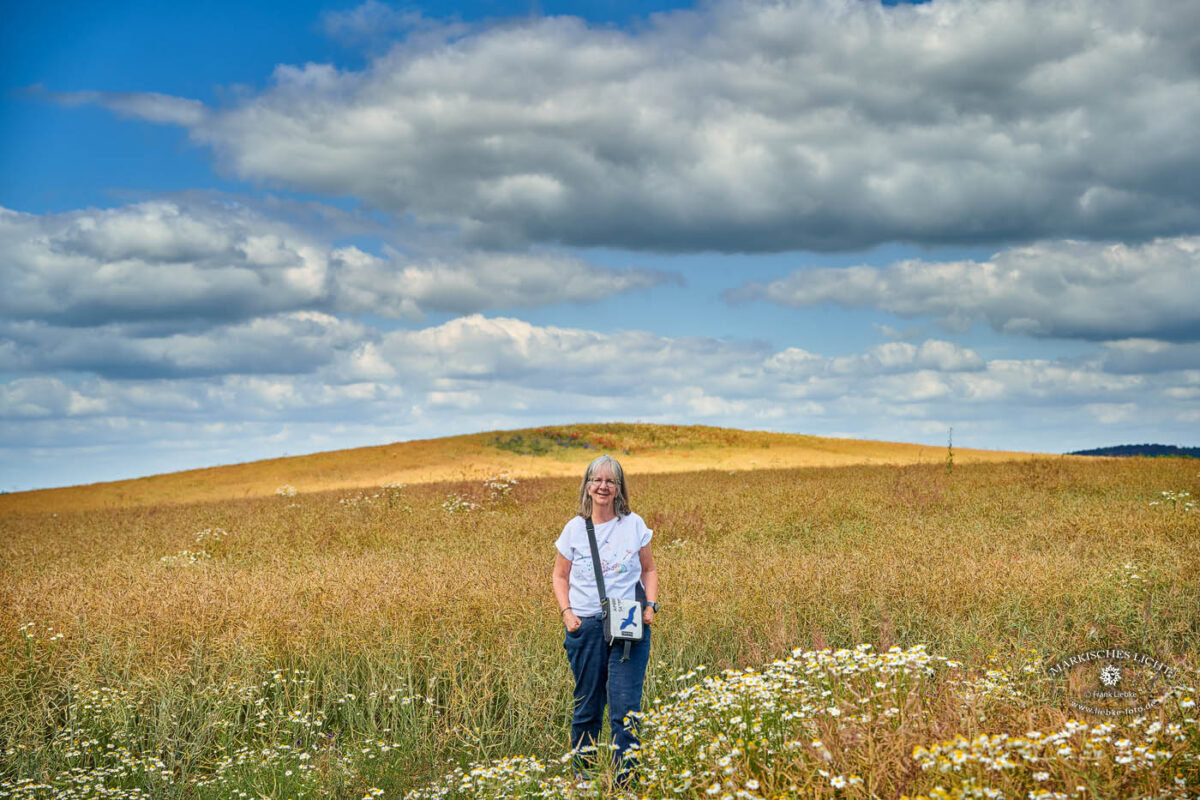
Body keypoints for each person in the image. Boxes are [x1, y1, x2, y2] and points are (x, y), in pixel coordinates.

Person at [552, 454, 659, 785]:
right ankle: (583, 782)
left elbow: (649, 570)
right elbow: (559, 576)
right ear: (587, 486)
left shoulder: (633, 524)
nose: (603, 486)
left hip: (628, 622)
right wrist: (568, 614)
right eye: (597, 480)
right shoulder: (574, 529)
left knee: (625, 710)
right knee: (587, 707)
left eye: (610, 481)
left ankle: (625, 784)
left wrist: (651, 605)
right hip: (585, 625)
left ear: (619, 488)